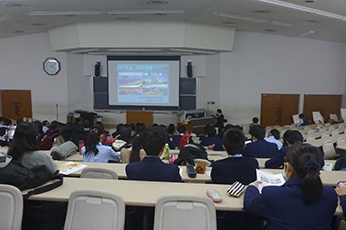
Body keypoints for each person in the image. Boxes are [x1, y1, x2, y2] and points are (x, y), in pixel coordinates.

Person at [244, 143, 338, 230]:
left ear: (288, 167)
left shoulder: (271, 194)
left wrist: (253, 186)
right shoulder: (331, 195)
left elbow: (249, 205)